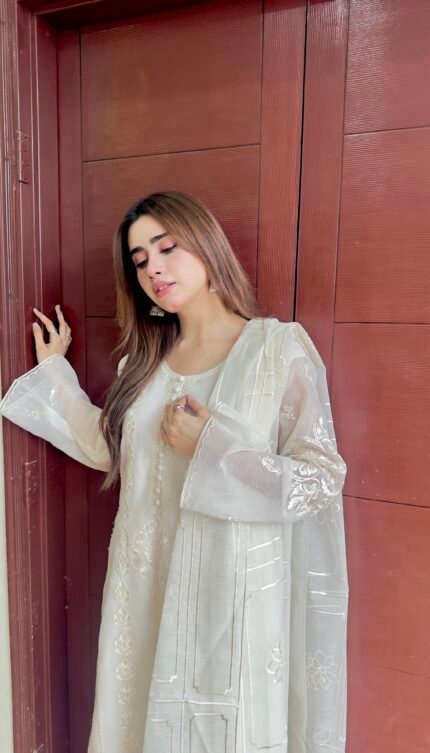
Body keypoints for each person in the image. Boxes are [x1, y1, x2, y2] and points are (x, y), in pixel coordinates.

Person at [0, 191, 348, 753]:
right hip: (142, 591)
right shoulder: (142, 364)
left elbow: (320, 481)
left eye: (167, 248)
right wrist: (55, 371)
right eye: (139, 261)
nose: (153, 270)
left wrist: (211, 446)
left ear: (208, 245)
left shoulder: (276, 350)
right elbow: (110, 449)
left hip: (229, 598)